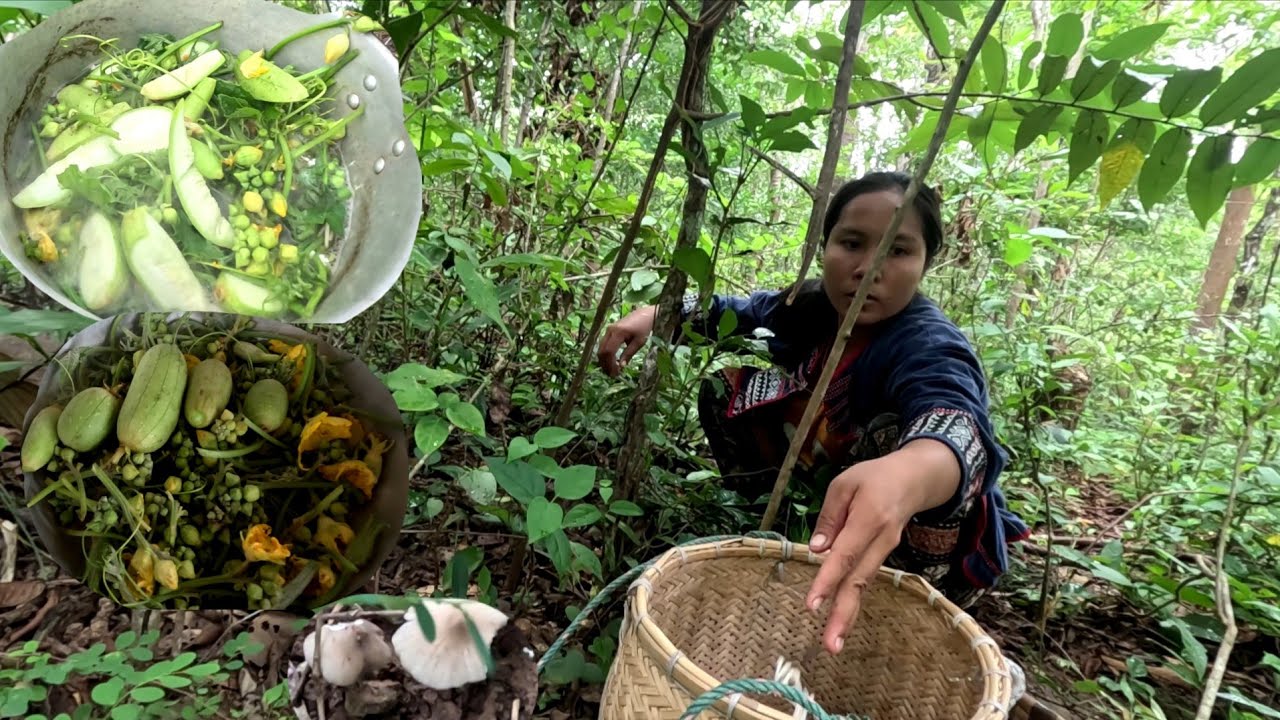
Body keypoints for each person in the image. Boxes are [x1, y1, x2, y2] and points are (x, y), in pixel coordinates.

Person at [595, 170, 1030, 656]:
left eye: (898, 251)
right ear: (825, 248)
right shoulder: (810, 307)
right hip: (828, 489)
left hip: (910, 532)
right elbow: (737, 313)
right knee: (727, 386)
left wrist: (908, 472)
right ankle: (773, 525)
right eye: (852, 243)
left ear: (926, 263)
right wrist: (661, 315)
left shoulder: (926, 341)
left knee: (896, 441)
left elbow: (953, 418)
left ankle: (897, 604)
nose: (869, 268)